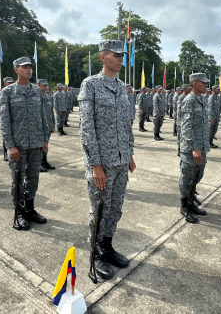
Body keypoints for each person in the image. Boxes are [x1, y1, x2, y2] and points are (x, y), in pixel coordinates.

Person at [78, 40, 136, 280]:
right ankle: (95, 253)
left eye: (122, 56)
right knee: (99, 209)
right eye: (116, 55)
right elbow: (86, 127)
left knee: (115, 208)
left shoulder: (122, 87)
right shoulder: (90, 85)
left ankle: (107, 246)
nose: (121, 59)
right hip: (102, 163)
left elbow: (126, 123)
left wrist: (130, 154)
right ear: (103, 57)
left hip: (121, 161)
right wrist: (95, 165)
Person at [0, 57, 49, 230]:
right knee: (18, 179)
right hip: (18, 145)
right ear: (16, 70)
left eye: (30, 67)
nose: (29, 69)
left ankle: (30, 208)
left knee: (33, 178)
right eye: (24, 67)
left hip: (35, 142)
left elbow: (42, 117)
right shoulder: (7, 92)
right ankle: (19, 212)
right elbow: (5, 121)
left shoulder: (36, 91)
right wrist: (10, 145)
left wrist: (45, 139)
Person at [178, 73, 209, 224]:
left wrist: (202, 146)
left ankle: (191, 202)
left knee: (198, 175)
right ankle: (185, 206)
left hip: (202, 146)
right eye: (204, 83)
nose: (206, 86)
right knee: (187, 177)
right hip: (191, 148)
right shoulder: (188, 101)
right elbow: (186, 128)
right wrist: (194, 148)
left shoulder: (202, 99)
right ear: (195, 83)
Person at [37, 79, 56, 172]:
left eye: (46, 85)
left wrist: (53, 124)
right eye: (43, 85)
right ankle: (38, 163)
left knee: (46, 144)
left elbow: (51, 112)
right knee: (39, 145)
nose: (45, 86)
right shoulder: (36, 97)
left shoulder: (48, 97)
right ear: (38, 85)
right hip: (39, 125)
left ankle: (45, 161)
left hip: (48, 125)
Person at [176, 84, 191, 156]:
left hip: (186, 120)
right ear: (184, 89)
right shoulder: (181, 97)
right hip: (181, 121)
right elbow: (179, 110)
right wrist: (180, 121)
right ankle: (179, 150)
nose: (190, 90)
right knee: (180, 136)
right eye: (188, 89)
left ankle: (184, 150)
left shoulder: (188, 97)